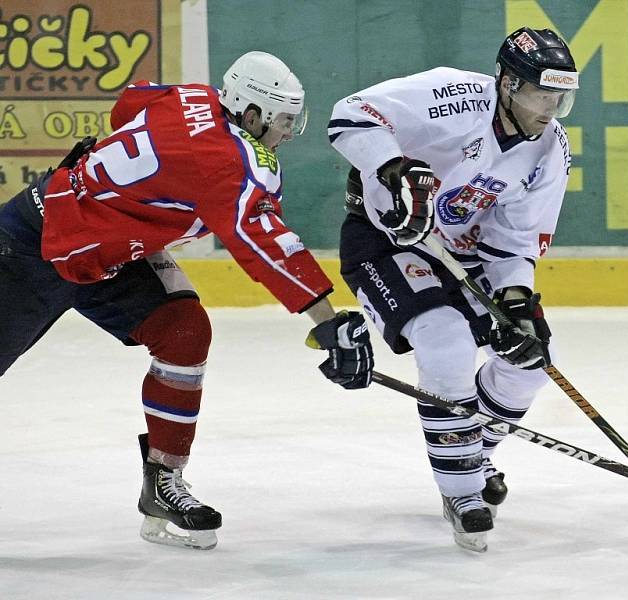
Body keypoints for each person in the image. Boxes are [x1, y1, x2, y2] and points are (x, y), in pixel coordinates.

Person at [0, 51, 374, 550]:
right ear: (252, 113)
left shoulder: (193, 96)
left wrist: (134, 199)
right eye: (284, 121)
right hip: (32, 246)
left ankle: (162, 481)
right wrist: (327, 322)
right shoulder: (228, 162)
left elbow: (128, 104)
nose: (288, 133)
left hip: (105, 250)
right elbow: (264, 242)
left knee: (184, 331)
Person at [327, 27, 578, 552]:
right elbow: (350, 114)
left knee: (529, 361)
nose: (551, 109)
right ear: (508, 83)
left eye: (561, 98)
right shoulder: (453, 96)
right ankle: (462, 488)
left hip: (466, 254)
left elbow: (514, 239)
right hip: (388, 242)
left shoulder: (549, 149)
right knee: (446, 342)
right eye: (541, 94)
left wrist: (516, 301)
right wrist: (392, 167)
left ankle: (469, 447)